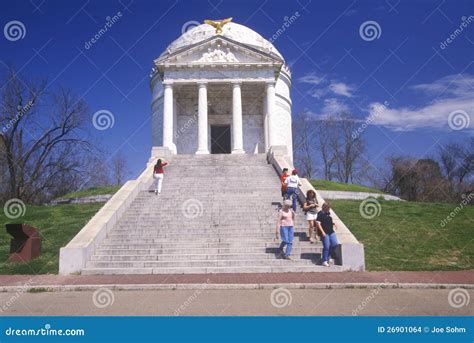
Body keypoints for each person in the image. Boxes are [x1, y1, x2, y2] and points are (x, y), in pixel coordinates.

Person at [316, 202, 339, 267]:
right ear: (324, 207)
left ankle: (327, 256)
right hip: (324, 232)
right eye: (328, 208)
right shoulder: (320, 214)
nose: (329, 209)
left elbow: (328, 221)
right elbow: (318, 224)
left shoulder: (328, 213)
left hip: (331, 231)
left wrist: (333, 224)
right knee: (327, 246)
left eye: (329, 208)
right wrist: (322, 232)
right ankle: (324, 260)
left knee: (335, 244)